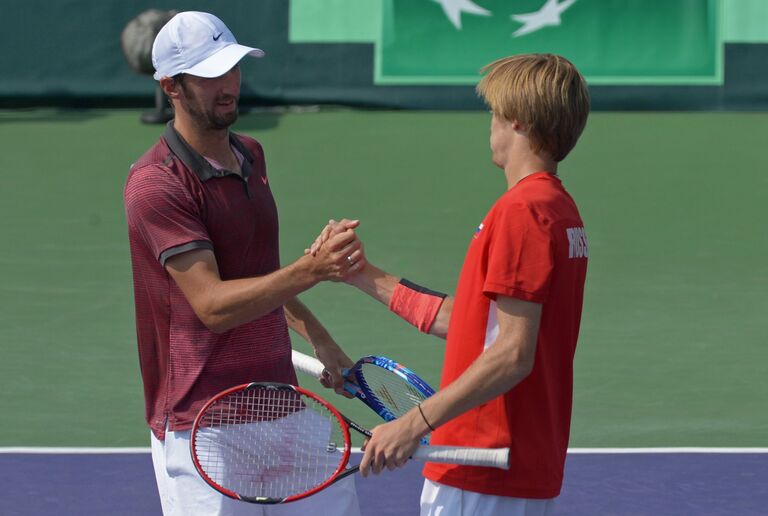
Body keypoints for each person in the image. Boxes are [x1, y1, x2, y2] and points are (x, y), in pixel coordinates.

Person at [311, 53, 590, 515]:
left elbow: (513, 354)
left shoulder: (521, 213)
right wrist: (362, 274)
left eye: (495, 115)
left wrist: (413, 424)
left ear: (517, 122)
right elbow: (473, 324)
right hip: (514, 467)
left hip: (481, 469)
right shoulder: (558, 210)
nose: (491, 127)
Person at [123, 11, 363, 516]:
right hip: (201, 428)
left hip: (280, 404)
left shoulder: (250, 154)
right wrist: (312, 269)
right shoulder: (156, 184)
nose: (228, 84)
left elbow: (258, 277)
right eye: (210, 74)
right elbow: (212, 305)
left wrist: (319, 336)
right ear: (171, 86)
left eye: (232, 68)